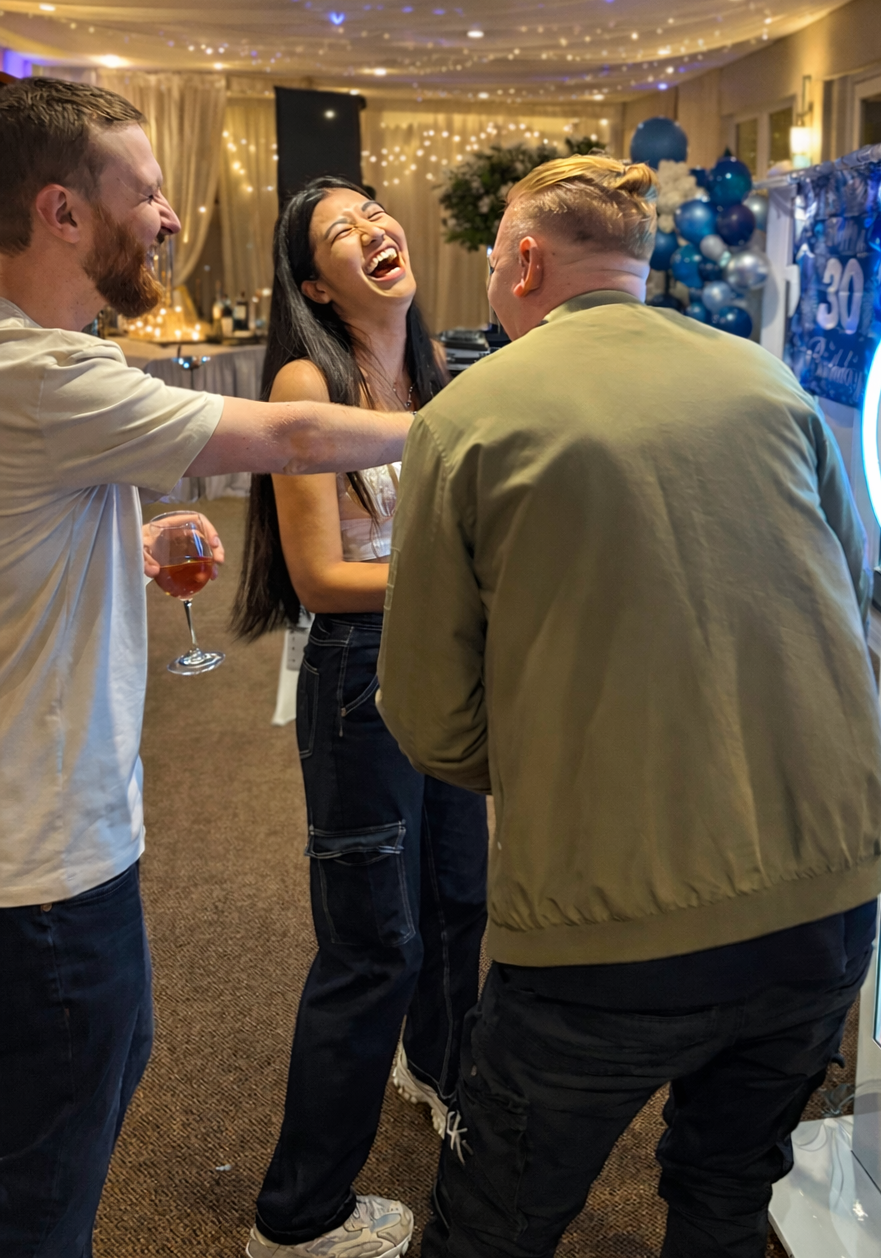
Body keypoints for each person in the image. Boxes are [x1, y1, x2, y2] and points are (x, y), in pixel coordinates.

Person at [377, 154, 881, 1258]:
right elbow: (848, 606)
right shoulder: (768, 382)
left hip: (598, 928)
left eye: (492, 265)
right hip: (826, 903)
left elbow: (429, 717)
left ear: (525, 262)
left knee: (492, 1228)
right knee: (727, 1194)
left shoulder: (467, 418)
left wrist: (563, 754)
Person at [0, 80, 413, 1258]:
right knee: (50, 1168)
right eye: (147, 193)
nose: (172, 218)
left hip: (51, 841)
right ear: (63, 213)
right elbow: (294, 439)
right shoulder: (43, 372)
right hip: (39, 863)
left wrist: (115, 544)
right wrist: (500, 418)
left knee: (85, 1088)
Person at [232, 177, 488, 1258]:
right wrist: (464, 583)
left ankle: (437, 1069)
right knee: (373, 945)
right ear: (315, 286)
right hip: (358, 675)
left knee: (459, 897)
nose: (374, 228)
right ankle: (296, 1219)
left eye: (375, 212)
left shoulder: (433, 370)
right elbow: (321, 577)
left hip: (441, 659)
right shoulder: (308, 379)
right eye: (342, 231)